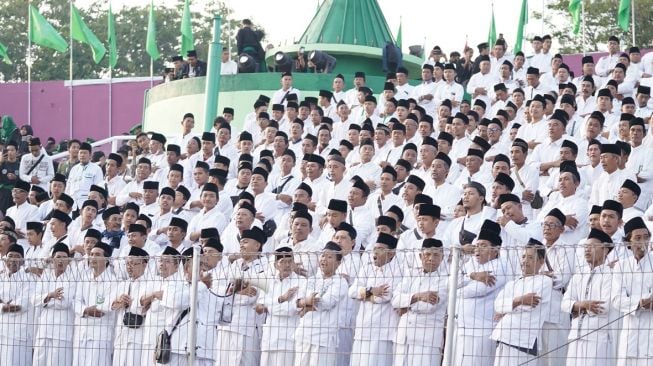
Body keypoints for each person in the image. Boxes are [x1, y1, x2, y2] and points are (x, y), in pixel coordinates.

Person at [561, 229, 619, 366]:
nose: (587, 250)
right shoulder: (578, 275)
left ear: (605, 250)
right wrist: (582, 305)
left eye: (592, 246)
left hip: (597, 338)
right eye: (586, 247)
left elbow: (604, 307)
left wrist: (576, 307)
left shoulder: (611, 275)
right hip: (575, 335)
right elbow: (564, 304)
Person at [491, 239, 553, 365]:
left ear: (541, 262)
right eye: (524, 256)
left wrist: (508, 308)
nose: (525, 261)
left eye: (530, 257)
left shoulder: (544, 281)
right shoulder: (513, 283)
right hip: (504, 336)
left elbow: (529, 307)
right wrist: (520, 300)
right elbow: (497, 306)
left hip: (523, 341)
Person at [392, 238, 448, 365]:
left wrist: (407, 304)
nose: (431, 258)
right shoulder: (410, 274)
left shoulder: (446, 278)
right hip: (404, 337)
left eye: (436, 255)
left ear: (442, 257)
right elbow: (395, 300)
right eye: (427, 254)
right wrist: (418, 296)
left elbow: (429, 307)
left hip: (427, 340)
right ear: (420, 255)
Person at [349, 233, 402, 366]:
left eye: (380, 250)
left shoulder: (397, 271)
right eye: (374, 249)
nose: (375, 253)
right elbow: (351, 292)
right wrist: (371, 291)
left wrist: (363, 295)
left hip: (382, 331)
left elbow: (384, 297)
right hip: (362, 328)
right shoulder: (367, 268)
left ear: (391, 254)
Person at [293, 241, 348, 366]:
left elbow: (327, 303)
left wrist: (305, 305)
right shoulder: (311, 280)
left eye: (329, 257)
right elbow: (296, 303)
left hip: (324, 338)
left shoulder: (340, 282)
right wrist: (305, 302)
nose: (324, 259)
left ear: (338, 263)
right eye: (323, 255)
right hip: (304, 334)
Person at [72, 242, 117, 366]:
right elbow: (76, 301)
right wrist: (85, 310)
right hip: (82, 332)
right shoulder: (84, 278)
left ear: (107, 259)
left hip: (100, 335)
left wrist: (95, 309)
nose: (92, 257)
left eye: (97, 254)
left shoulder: (113, 281)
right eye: (91, 254)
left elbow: (107, 306)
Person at [0, 244, 37, 366]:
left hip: (19, 333)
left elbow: (22, 305)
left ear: (22, 261)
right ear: (5, 258)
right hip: (2, 329)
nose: (13, 259)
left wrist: (4, 306)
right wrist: (4, 306)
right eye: (10, 256)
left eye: (17, 256)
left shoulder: (29, 279)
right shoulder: (1, 277)